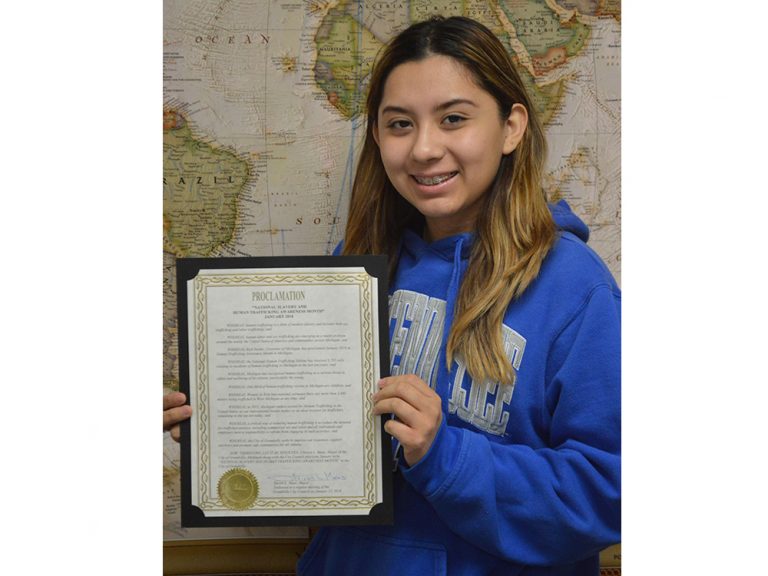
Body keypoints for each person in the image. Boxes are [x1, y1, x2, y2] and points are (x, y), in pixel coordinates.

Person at [164, 15, 620, 575]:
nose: (425, 148)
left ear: (511, 127)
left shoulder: (576, 287)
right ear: (377, 137)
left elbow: (610, 491)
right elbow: (318, 448)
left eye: (454, 118)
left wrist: (443, 455)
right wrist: (225, 428)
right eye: (400, 124)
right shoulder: (350, 274)